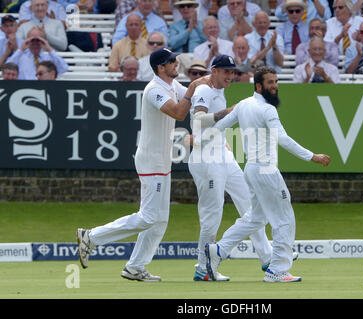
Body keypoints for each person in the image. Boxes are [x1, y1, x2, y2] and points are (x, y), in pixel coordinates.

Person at [77, 48, 211, 281]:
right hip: (151, 159)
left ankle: (135, 267)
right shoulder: (153, 90)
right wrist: (193, 87)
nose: (176, 63)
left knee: (160, 221)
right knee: (149, 217)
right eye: (172, 61)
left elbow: (195, 93)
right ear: (161, 67)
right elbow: (180, 113)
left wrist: (212, 80)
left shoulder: (171, 85)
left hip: (161, 159)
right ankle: (92, 237)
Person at [204, 66, 331, 282]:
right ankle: (277, 270)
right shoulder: (267, 110)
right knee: (284, 219)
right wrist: (312, 156)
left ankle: (219, 250)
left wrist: (200, 139)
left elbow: (219, 127)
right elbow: (283, 138)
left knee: (256, 217)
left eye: (276, 82)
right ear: (259, 86)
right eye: (270, 83)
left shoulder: (244, 105)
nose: (275, 86)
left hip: (252, 170)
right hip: (265, 170)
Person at [188, 54, 273, 281]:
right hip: (206, 158)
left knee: (251, 203)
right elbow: (198, 119)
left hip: (222, 153)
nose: (230, 76)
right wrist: (229, 112)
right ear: (214, 71)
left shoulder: (216, 88)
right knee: (212, 215)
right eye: (225, 71)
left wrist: (222, 137)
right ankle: (203, 267)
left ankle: (267, 258)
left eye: (232, 72)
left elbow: (212, 124)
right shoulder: (204, 90)